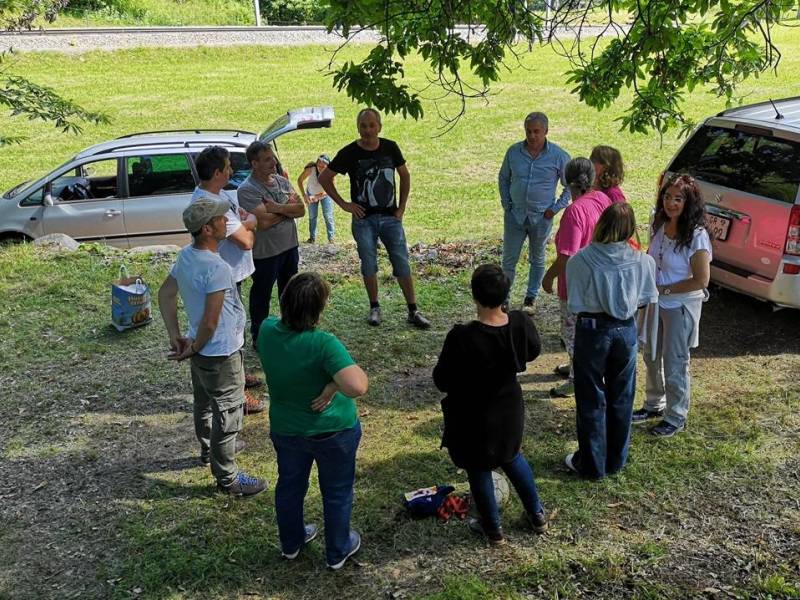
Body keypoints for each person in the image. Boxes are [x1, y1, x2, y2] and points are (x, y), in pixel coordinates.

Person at [257, 273, 368, 569]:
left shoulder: (267, 330)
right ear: (319, 309)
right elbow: (357, 386)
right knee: (337, 491)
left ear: (284, 302)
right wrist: (332, 385)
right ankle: (338, 550)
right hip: (333, 432)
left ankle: (291, 543)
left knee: (290, 487)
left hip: (287, 430)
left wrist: (332, 383)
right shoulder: (324, 344)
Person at [158, 196, 267, 497]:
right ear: (207, 229)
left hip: (202, 350)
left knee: (204, 404)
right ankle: (228, 477)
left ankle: (210, 449)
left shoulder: (186, 256)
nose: (226, 222)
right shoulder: (216, 267)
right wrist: (193, 346)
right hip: (220, 351)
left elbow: (165, 295)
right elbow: (210, 321)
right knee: (228, 413)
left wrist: (176, 337)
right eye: (221, 219)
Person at [433, 264, 547, 545]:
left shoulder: (462, 336)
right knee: (512, 456)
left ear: (474, 296)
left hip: (473, 413)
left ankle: (493, 529)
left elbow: (442, 379)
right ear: (505, 295)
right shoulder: (519, 322)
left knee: (478, 467)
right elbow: (533, 351)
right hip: (509, 407)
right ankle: (537, 515)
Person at [563, 203, 658, 479]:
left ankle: (592, 464)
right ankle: (616, 459)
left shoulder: (581, 260)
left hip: (593, 329)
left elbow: (575, 303)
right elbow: (645, 300)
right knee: (622, 395)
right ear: (630, 229)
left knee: (591, 397)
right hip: (624, 329)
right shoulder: (643, 261)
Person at [318, 108, 430, 329]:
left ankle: (413, 309)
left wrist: (402, 208)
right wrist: (344, 204)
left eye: (371, 125)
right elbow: (324, 178)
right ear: (358, 128)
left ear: (379, 127)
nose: (368, 130)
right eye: (363, 126)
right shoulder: (350, 152)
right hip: (364, 220)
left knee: (401, 261)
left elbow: (404, 175)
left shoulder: (390, 147)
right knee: (368, 263)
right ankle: (375, 307)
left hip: (390, 217)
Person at [633, 174, 712, 437]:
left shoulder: (697, 236)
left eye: (678, 198)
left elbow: (701, 280)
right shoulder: (660, 225)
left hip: (680, 306)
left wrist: (665, 289)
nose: (671, 203)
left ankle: (676, 415)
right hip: (656, 303)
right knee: (651, 354)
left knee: (675, 360)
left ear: (688, 202)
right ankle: (654, 404)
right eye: (667, 197)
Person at [192, 146, 265, 411]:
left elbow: (240, 222)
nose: (232, 171)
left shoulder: (217, 195)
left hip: (231, 274)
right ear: (217, 173)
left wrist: (245, 222)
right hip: (223, 277)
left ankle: (239, 376)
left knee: (236, 327)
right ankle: (237, 394)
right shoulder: (211, 204)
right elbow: (245, 241)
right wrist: (252, 222)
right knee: (228, 334)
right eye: (227, 167)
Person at [542, 157, 613, 398]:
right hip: (600, 281)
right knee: (591, 333)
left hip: (575, 288)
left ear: (566, 181)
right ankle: (577, 368)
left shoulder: (574, 212)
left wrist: (548, 277)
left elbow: (566, 258)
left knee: (573, 334)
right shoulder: (603, 199)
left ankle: (577, 378)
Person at [499, 111, 571, 313]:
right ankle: (504, 298)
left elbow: (569, 185)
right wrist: (507, 204)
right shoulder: (513, 152)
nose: (532, 136)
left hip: (541, 217)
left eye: (536, 132)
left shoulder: (559, 156)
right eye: (529, 131)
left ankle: (531, 298)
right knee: (509, 259)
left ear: (546, 131)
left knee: (537, 257)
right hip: (515, 215)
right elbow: (503, 178)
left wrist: (555, 208)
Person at [236, 141, 305, 346]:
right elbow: (264, 223)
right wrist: (286, 210)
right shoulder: (247, 189)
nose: (273, 162)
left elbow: (301, 209)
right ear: (254, 163)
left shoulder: (281, 181)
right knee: (262, 294)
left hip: (289, 246)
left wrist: (275, 207)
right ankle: (259, 335)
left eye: (273, 157)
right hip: (266, 253)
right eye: (267, 159)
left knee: (290, 290)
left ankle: (289, 327)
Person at [297, 154, 336, 244]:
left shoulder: (330, 172)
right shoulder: (311, 169)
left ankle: (331, 239)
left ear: (327, 166)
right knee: (312, 216)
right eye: (319, 165)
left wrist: (317, 197)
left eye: (323, 167)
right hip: (311, 193)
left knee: (328, 216)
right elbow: (299, 180)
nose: (320, 168)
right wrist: (304, 195)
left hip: (325, 195)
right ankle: (312, 238)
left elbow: (331, 190)